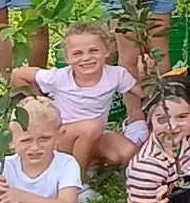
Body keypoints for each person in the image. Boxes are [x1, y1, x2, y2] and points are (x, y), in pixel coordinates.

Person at [8, 22, 142, 171]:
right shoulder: (58, 78)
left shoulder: (116, 75)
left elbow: (141, 94)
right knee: (92, 127)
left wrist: (146, 75)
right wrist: (39, 101)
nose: (86, 58)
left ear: (107, 51)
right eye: (77, 53)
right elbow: (18, 74)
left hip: (95, 135)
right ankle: (76, 180)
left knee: (128, 152)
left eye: (94, 51)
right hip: (61, 137)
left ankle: (86, 161)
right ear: (67, 57)